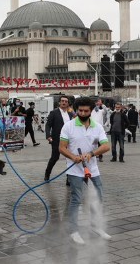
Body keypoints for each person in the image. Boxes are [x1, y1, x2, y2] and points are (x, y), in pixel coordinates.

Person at [59, 96, 111, 245]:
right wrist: (73, 157)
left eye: (85, 111)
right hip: (75, 169)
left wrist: (91, 153)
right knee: (76, 198)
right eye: (80, 110)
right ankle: (73, 230)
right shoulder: (68, 126)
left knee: (98, 197)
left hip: (92, 168)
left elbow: (106, 146)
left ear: (90, 111)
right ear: (76, 110)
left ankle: (95, 227)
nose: (82, 113)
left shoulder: (97, 127)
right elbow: (62, 147)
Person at [44, 96, 73, 182]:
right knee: (55, 157)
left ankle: (69, 178)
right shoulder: (54, 113)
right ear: (59, 103)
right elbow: (48, 124)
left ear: (68, 103)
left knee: (69, 158)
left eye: (66, 101)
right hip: (57, 139)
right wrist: (48, 135)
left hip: (69, 139)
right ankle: (47, 173)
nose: (64, 103)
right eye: (62, 101)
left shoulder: (70, 113)